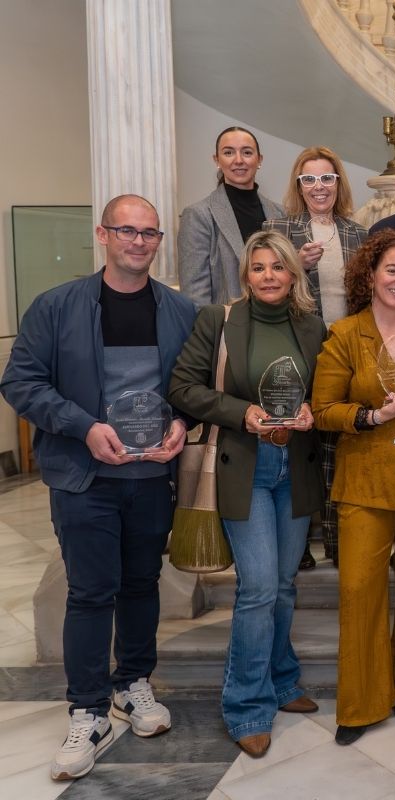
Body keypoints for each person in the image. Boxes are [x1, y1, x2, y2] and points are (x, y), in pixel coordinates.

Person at [1, 195, 195, 781]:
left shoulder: (180, 311)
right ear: (103, 234)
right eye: (126, 231)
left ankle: (132, 684)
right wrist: (84, 427)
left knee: (141, 584)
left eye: (149, 233)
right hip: (84, 477)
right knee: (89, 593)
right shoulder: (56, 307)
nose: (138, 242)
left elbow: (191, 386)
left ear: (158, 241)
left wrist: (184, 422)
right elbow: (20, 381)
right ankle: (87, 711)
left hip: (151, 478)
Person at [168, 230, 325, 758]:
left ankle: (282, 680)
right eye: (258, 267)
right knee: (257, 588)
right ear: (246, 274)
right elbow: (183, 387)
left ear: (293, 274)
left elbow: (324, 391)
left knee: (282, 585)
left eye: (278, 267)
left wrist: (313, 410)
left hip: (294, 467)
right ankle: (247, 707)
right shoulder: (219, 320)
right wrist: (242, 413)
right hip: (243, 467)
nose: (268, 276)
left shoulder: (311, 325)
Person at [311, 229, 395, 745]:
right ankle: (361, 703)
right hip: (365, 481)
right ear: (370, 275)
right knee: (359, 592)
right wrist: (372, 416)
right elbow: (324, 411)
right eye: (392, 270)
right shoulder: (345, 334)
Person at [264, 145, 369, 568]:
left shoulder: (357, 233)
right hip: (295, 351)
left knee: (337, 449)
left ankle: (340, 543)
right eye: (309, 179)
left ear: (339, 183)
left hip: (345, 353)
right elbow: (265, 291)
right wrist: (298, 265)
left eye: (327, 178)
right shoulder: (278, 229)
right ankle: (298, 545)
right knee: (298, 448)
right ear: (298, 185)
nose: (319, 186)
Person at [178, 126, 284, 305]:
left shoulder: (281, 213)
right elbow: (194, 294)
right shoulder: (197, 215)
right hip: (226, 321)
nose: (239, 160)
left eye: (247, 152)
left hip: (277, 319)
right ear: (217, 160)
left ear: (259, 160)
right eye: (228, 153)